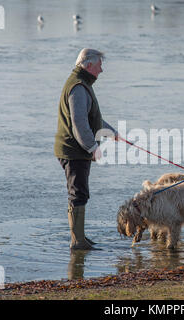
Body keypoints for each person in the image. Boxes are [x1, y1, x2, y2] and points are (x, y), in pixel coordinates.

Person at [54, 48, 118, 250]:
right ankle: (77, 241)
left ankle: (79, 237)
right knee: (78, 193)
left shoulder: (82, 84)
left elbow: (93, 118)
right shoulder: (79, 87)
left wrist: (112, 133)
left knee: (80, 193)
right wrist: (92, 148)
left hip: (75, 149)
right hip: (73, 150)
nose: (101, 70)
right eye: (99, 65)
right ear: (88, 65)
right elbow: (79, 123)